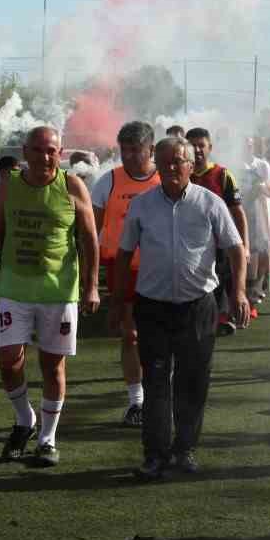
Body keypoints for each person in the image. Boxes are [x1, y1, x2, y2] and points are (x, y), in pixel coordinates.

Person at [115, 137, 248, 480]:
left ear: (191, 165)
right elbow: (125, 253)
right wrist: (121, 302)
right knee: (156, 381)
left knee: (192, 381)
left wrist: (240, 294)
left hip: (198, 307)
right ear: (156, 165)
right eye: (165, 162)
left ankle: (185, 449)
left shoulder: (210, 202)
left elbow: (235, 248)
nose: (172, 167)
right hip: (153, 307)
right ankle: (155, 455)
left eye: (178, 161)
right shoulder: (142, 205)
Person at [0, 125, 99, 465]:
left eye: (52, 151)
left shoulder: (72, 185)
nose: (46, 157)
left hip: (59, 292)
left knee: (52, 367)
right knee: (8, 359)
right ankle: (25, 419)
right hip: (15, 288)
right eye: (38, 150)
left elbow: (89, 239)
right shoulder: (10, 185)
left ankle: (47, 439)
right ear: (25, 152)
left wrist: (90, 286)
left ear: (59, 154)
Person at [92, 121, 163, 425]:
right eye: (125, 150)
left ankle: (161, 397)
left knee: (162, 338)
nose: (130, 156)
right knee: (130, 336)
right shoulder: (106, 182)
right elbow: (89, 234)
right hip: (122, 270)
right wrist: (90, 279)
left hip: (161, 270)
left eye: (137, 150)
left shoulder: (166, 180)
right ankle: (137, 402)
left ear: (151, 150)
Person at [186, 127, 249, 334]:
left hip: (219, 243)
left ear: (209, 148)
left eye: (201, 145)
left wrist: (244, 246)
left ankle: (223, 318)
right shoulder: (179, 174)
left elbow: (238, 213)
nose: (196, 150)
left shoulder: (222, 175)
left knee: (221, 281)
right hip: (190, 244)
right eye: (192, 145)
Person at [242, 137, 270, 308]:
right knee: (249, 251)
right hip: (243, 212)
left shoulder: (262, 165)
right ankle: (248, 289)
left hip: (261, 214)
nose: (248, 147)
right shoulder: (235, 165)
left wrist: (262, 188)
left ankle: (257, 286)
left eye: (250, 144)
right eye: (245, 144)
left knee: (263, 250)